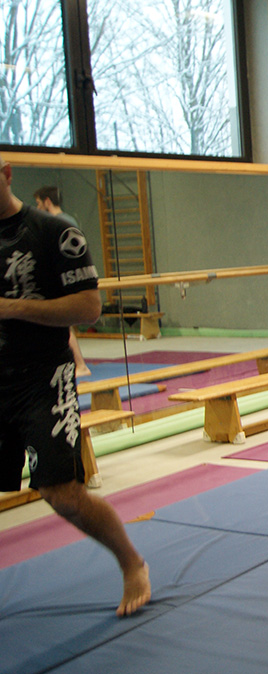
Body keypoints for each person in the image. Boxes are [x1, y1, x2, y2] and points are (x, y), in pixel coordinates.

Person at [0, 154, 151, 616]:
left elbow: (89, 308)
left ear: (6, 173)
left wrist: (12, 308)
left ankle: (131, 562)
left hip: (43, 378)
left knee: (61, 492)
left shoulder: (54, 232)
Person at [33, 186, 90, 377]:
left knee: (64, 325)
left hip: (66, 279)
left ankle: (80, 364)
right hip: (70, 278)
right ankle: (77, 363)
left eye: (39, 203)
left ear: (47, 202)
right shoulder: (69, 220)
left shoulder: (56, 224)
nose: (37, 208)